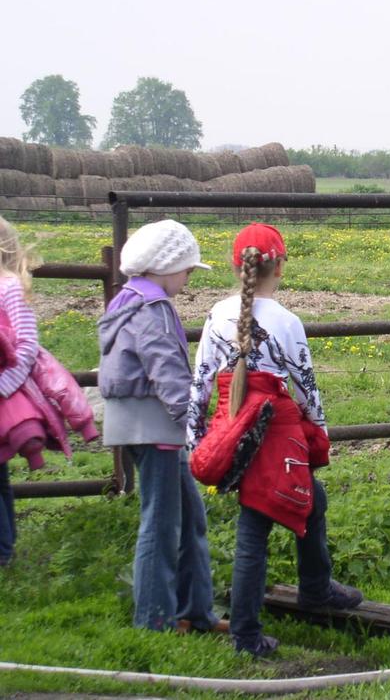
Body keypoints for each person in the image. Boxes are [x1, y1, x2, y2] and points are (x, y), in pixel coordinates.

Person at [188, 222, 362, 657]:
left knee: (310, 500)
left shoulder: (216, 315)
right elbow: (305, 386)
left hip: (234, 428)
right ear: (279, 266)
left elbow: (200, 383)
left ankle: (314, 588)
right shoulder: (286, 322)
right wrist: (319, 434)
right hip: (275, 432)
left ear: (236, 265)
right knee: (256, 524)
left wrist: (196, 441)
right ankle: (248, 633)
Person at [97, 219, 222, 633]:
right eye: (187, 270)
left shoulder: (125, 300)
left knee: (189, 516)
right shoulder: (155, 309)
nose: (188, 278)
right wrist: (191, 423)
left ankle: (195, 612)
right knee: (161, 524)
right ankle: (154, 621)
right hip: (157, 427)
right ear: (166, 266)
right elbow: (165, 367)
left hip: (133, 424)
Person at [0, 216, 99, 567]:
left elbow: (26, 346)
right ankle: (5, 551)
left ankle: (3, 552)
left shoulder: (9, 287)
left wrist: (3, 387)